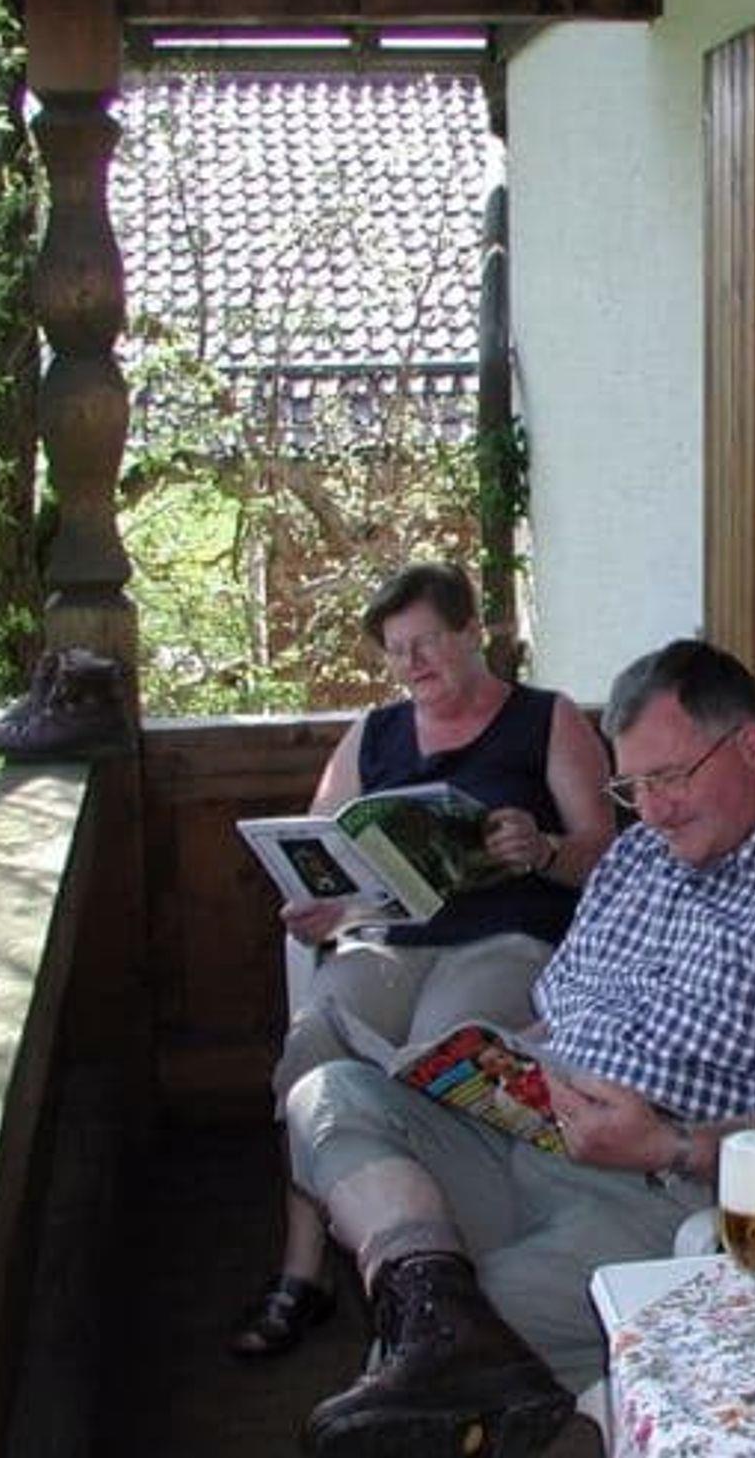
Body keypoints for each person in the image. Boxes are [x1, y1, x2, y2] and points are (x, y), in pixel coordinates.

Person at [285, 638, 755, 1458]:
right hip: (528, 1125)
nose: (651, 810)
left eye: (670, 778)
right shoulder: (636, 859)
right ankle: (428, 1298)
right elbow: (560, 1017)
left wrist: (668, 1144)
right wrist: (479, 1066)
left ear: (753, 749)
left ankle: (439, 1340)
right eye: (633, 788)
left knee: (458, 1353)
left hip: (658, 1189)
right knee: (331, 1092)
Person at [229, 561, 616, 1357]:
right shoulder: (374, 733)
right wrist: (318, 906)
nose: (411, 664)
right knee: (312, 1050)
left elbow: (606, 858)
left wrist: (544, 849)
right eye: (396, 650)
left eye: (427, 643)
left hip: (506, 936)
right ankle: (305, 1270)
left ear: (474, 633)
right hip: (389, 940)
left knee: (440, 1051)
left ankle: (438, 1269)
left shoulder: (545, 720)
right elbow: (321, 848)